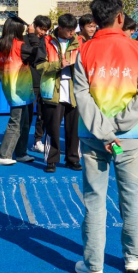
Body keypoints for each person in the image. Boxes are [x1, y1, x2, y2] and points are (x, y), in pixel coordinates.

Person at [73, 0, 138, 273]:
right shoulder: (137, 49)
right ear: (120, 17)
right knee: (131, 197)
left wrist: (106, 132)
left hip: (95, 138)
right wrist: (119, 126)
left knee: (95, 200)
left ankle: (94, 265)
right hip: (127, 138)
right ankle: (133, 257)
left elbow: (82, 96)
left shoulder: (84, 50)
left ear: (95, 20)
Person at [36, 14, 82, 173]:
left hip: (74, 92)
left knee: (74, 129)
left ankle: (73, 159)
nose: (72, 33)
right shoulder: (46, 41)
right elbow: (39, 65)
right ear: (60, 28)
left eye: (74, 29)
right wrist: (58, 65)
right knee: (53, 128)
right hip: (52, 91)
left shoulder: (79, 42)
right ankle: (51, 160)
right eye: (69, 30)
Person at [0, 17, 37, 166]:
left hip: (11, 88)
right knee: (16, 122)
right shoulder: (19, 46)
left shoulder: (0, 48)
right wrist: (32, 35)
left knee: (24, 123)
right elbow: (37, 53)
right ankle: (4, 154)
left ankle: (21, 152)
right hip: (20, 89)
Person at [26, 15, 50, 154]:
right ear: (34, 26)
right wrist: (31, 35)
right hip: (29, 82)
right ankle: (21, 142)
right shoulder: (25, 39)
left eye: (45, 30)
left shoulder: (47, 40)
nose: (43, 32)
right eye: (41, 29)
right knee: (27, 114)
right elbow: (34, 54)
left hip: (45, 81)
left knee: (42, 114)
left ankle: (37, 141)